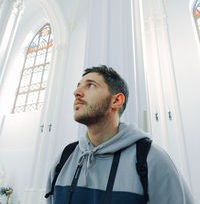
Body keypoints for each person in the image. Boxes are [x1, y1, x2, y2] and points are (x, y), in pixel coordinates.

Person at [46, 65, 195, 204]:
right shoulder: (65, 158)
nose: (76, 93)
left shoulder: (152, 159)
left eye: (91, 85)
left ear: (116, 100)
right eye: (78, 86)